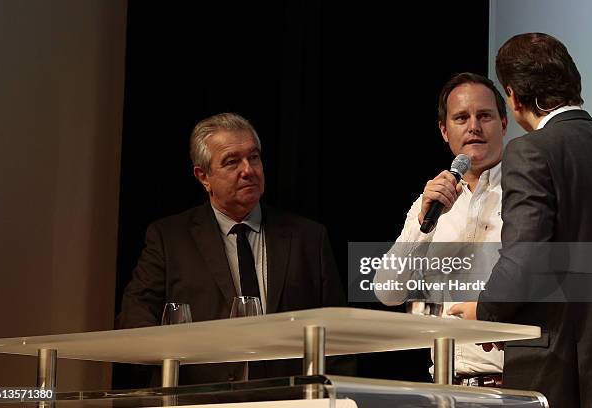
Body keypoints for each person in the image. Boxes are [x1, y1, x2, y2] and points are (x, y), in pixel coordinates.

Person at [116, 112, 351, 385]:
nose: (248, 170)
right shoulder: (170, 238)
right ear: (204, 177)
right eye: (232, 162)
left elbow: (339, 333)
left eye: (254, 157)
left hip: (288, 399)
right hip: (199, 400)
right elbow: (135, 317)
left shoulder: (308, 237)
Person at [460, 33, 592, 407]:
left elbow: (526, 258)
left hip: (559, 369)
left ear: (514, 97)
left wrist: (486, 311)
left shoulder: (530, 150)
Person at [374, 72, 508, 386]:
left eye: (484, 116)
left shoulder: (529, 194)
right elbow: (388, 292)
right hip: (445, 385)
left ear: (504, 124)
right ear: (444, 131)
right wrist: (423, 225)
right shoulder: (431, 200)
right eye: (461, 117)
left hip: (513, 384)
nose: (473, 126)